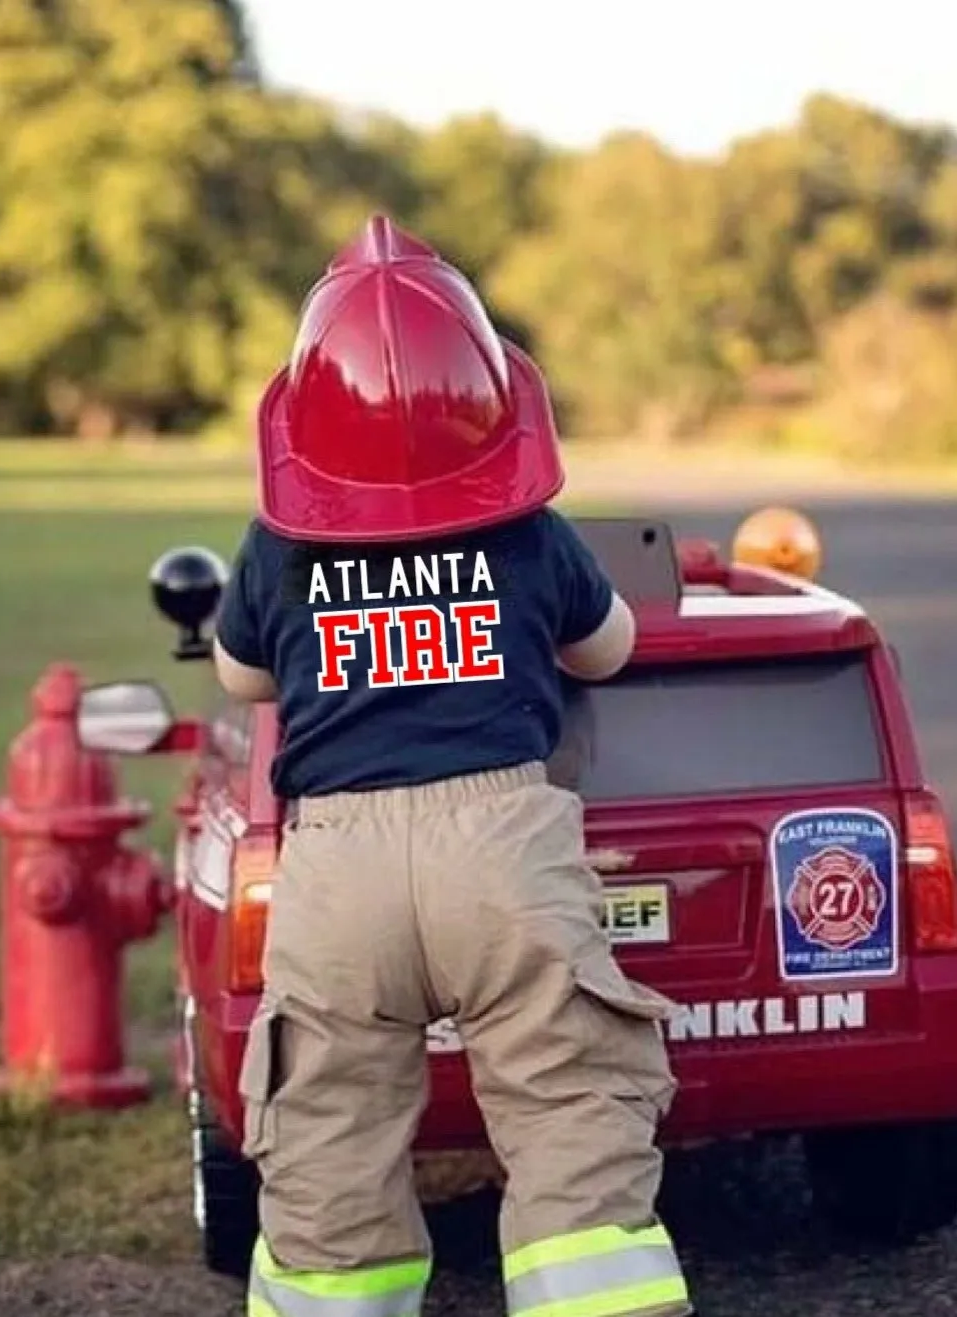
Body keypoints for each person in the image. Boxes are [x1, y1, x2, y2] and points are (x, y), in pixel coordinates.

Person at [212, 214, 696, 1317]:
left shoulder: (280, 545)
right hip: (503, 854)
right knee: (569, 1099)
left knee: (328, 1124)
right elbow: (606, 648)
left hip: (338, 870)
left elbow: (245, 678)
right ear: (492, 403)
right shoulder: (529, 534)